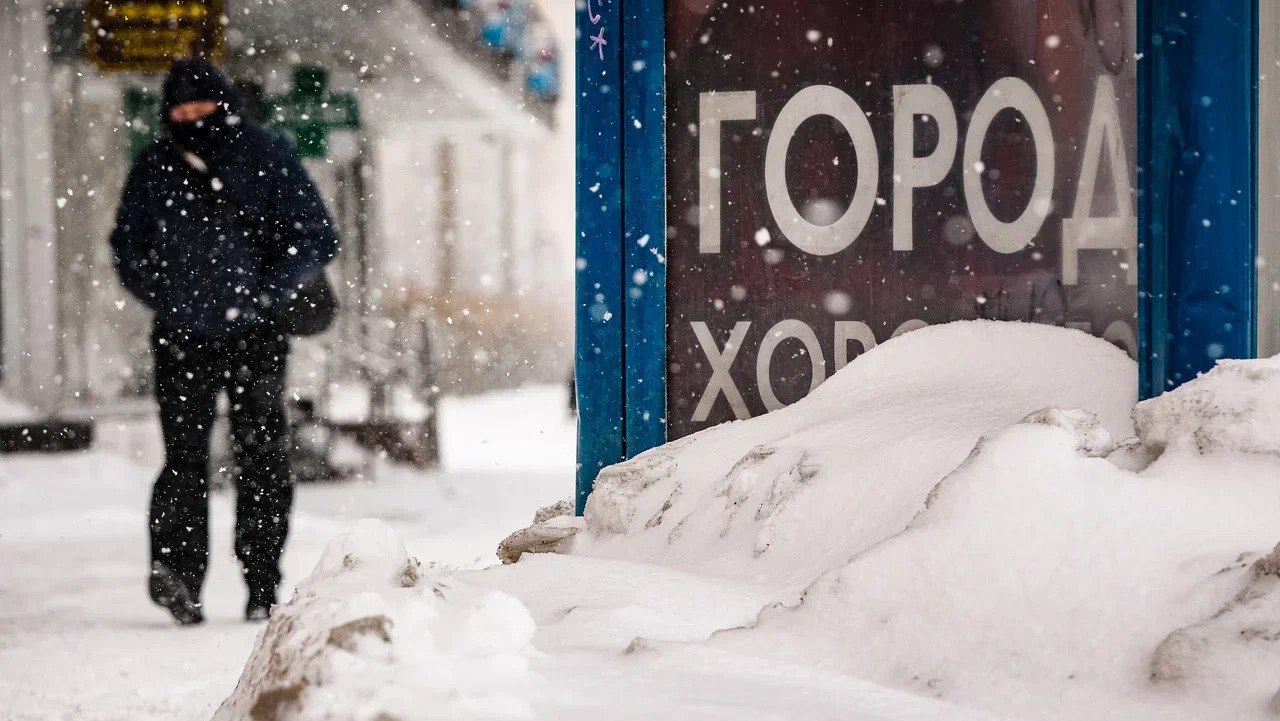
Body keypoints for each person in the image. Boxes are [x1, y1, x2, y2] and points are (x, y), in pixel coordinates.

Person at [109, 58, 339, 626]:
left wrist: (267, 292)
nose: (192, 119)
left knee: (261, 456)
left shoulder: (265, 154)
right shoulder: (156, 165)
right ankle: (178, 577)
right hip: (181, 335)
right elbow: (128, 244)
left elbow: (317, 235)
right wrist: (163, 295)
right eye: (180, 110)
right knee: (183, 459)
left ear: (224, 104)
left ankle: (262, 581)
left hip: (255, 334)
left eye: (201, 107)